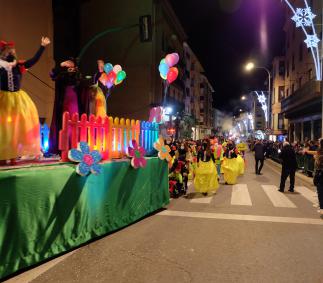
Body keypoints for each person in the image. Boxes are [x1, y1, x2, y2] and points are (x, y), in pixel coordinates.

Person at [0, 37, 51, 165]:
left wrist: (42, 46)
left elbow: (34, 60)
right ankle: (2, 155)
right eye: (8, 50)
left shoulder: (19, 65)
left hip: (17, 100)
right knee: (4, 129)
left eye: (12, 50)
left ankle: (13, 155)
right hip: (3, 99)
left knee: (16, 128)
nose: (11, 52)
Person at [309, 139, 323, 219]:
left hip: (320, 175)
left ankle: (322, 207)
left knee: (320, 192)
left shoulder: (319, 152)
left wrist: (316, 158)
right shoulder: (319, 152)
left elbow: (318, 164)